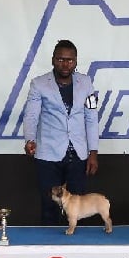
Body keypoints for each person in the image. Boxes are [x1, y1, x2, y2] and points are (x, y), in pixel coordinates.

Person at [23, 39, 100, 225]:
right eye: (60, 59)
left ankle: (76, 241)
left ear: (76, 61)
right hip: (48, 154)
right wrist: (30, 139)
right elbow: (31, 115)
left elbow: (91, 117)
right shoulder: (39, 84)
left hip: (78, 154)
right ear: (53, 60)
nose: (65, 64)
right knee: (49, 207)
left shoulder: (86, 83)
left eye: (70, 60)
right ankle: (49, 242)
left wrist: (93, 152)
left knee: (78, 208)